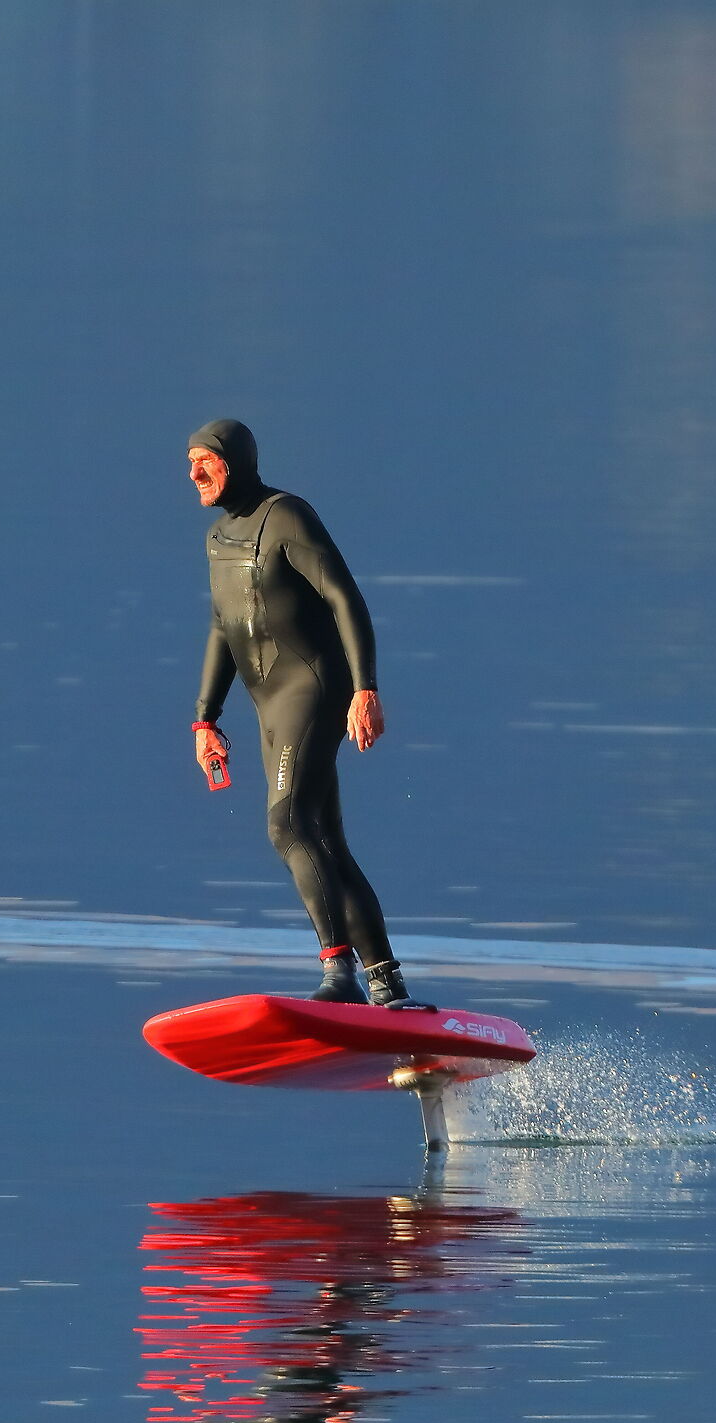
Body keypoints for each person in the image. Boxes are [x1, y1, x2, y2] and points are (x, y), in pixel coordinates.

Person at [184, 418, 424, 1009]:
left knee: (287, 825)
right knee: (326, 840)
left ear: (234, 461)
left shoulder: (285, 515)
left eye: (205, 462)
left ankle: (338, 973)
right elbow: (222, 626)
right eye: (188, 463)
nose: (193, 474)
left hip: (313, 687)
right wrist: (205, 719)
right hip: (265, 703)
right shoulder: (218, 538)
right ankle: (387, 984)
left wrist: (365, 689)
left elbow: (345, 596)